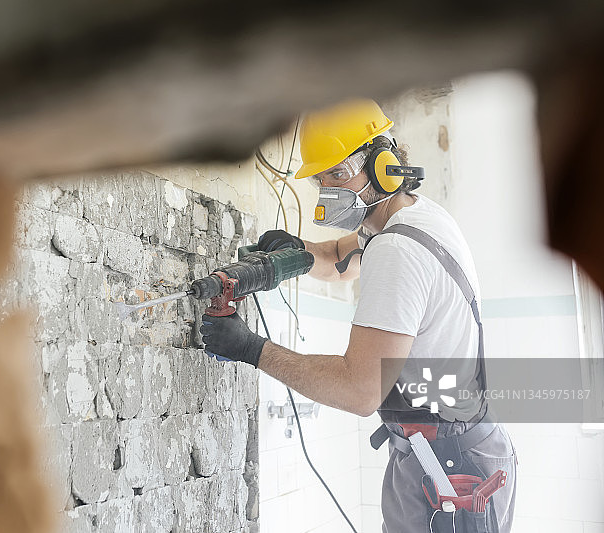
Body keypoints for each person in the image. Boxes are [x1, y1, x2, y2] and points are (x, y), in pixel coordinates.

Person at [200, 99, 517, 532]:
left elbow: (358, 390)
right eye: (320, 177)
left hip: (450, 468)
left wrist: (251, 349)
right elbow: (336, 257)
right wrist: (294, 252)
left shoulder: (396, 250)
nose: (326, 188)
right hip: (452, 448)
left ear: (383, 164)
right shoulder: (414, 218)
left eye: (337, 173)